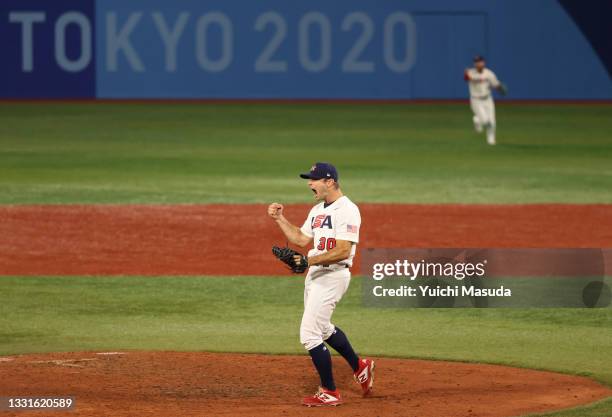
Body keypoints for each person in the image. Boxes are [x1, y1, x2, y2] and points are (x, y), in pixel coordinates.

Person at [267, 162, 375, 407]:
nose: (309, 183)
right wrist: (280, 219)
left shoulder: (347, 210)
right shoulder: (318, 210)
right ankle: (360, 366)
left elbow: (343, 250)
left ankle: (330, 391)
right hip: (315, 275)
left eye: (314, 179)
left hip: (333, 276)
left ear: (330, 181)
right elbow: (301, 239)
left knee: (309, 334)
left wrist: (308, 260)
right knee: (323, 328)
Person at [464, 55, 507, 145]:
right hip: (476, 100)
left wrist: (500, 89)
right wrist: (466, 73)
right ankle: (477, 119)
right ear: (474, 64)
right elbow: (467, 78)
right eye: (476, 62)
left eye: (480, 61)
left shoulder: (489, 73)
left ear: (484, 63)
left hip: (488, 99)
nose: (478, 63)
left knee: (492, 121)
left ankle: (491, 140)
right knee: (485, 120)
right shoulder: (471, 72)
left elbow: (496, 84)